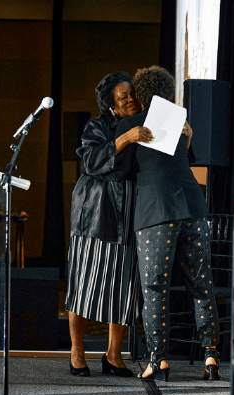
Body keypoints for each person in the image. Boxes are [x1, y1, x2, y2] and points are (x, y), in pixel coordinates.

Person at [115, 65, 221, 381]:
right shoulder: (178, 122)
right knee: (202, 285)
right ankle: (212, 357)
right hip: (193, 208)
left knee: (155, 288)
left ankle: (157, 359)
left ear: (139, 94)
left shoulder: (131, 125)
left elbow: (122, 170)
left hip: (155, 214)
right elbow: (179, 161)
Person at [66, 72, 154, 377]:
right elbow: (90, 162)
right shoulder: (97, 126)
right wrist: (125, 138)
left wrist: (186, 136)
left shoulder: (146, 123)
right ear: (110, 104)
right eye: (123, 96)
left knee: (125, 286)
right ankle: (77, 352)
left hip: (131, 211)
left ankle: (113, 355)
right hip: (96, 212)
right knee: (84, 284)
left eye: (132, 94)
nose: (130, 99)